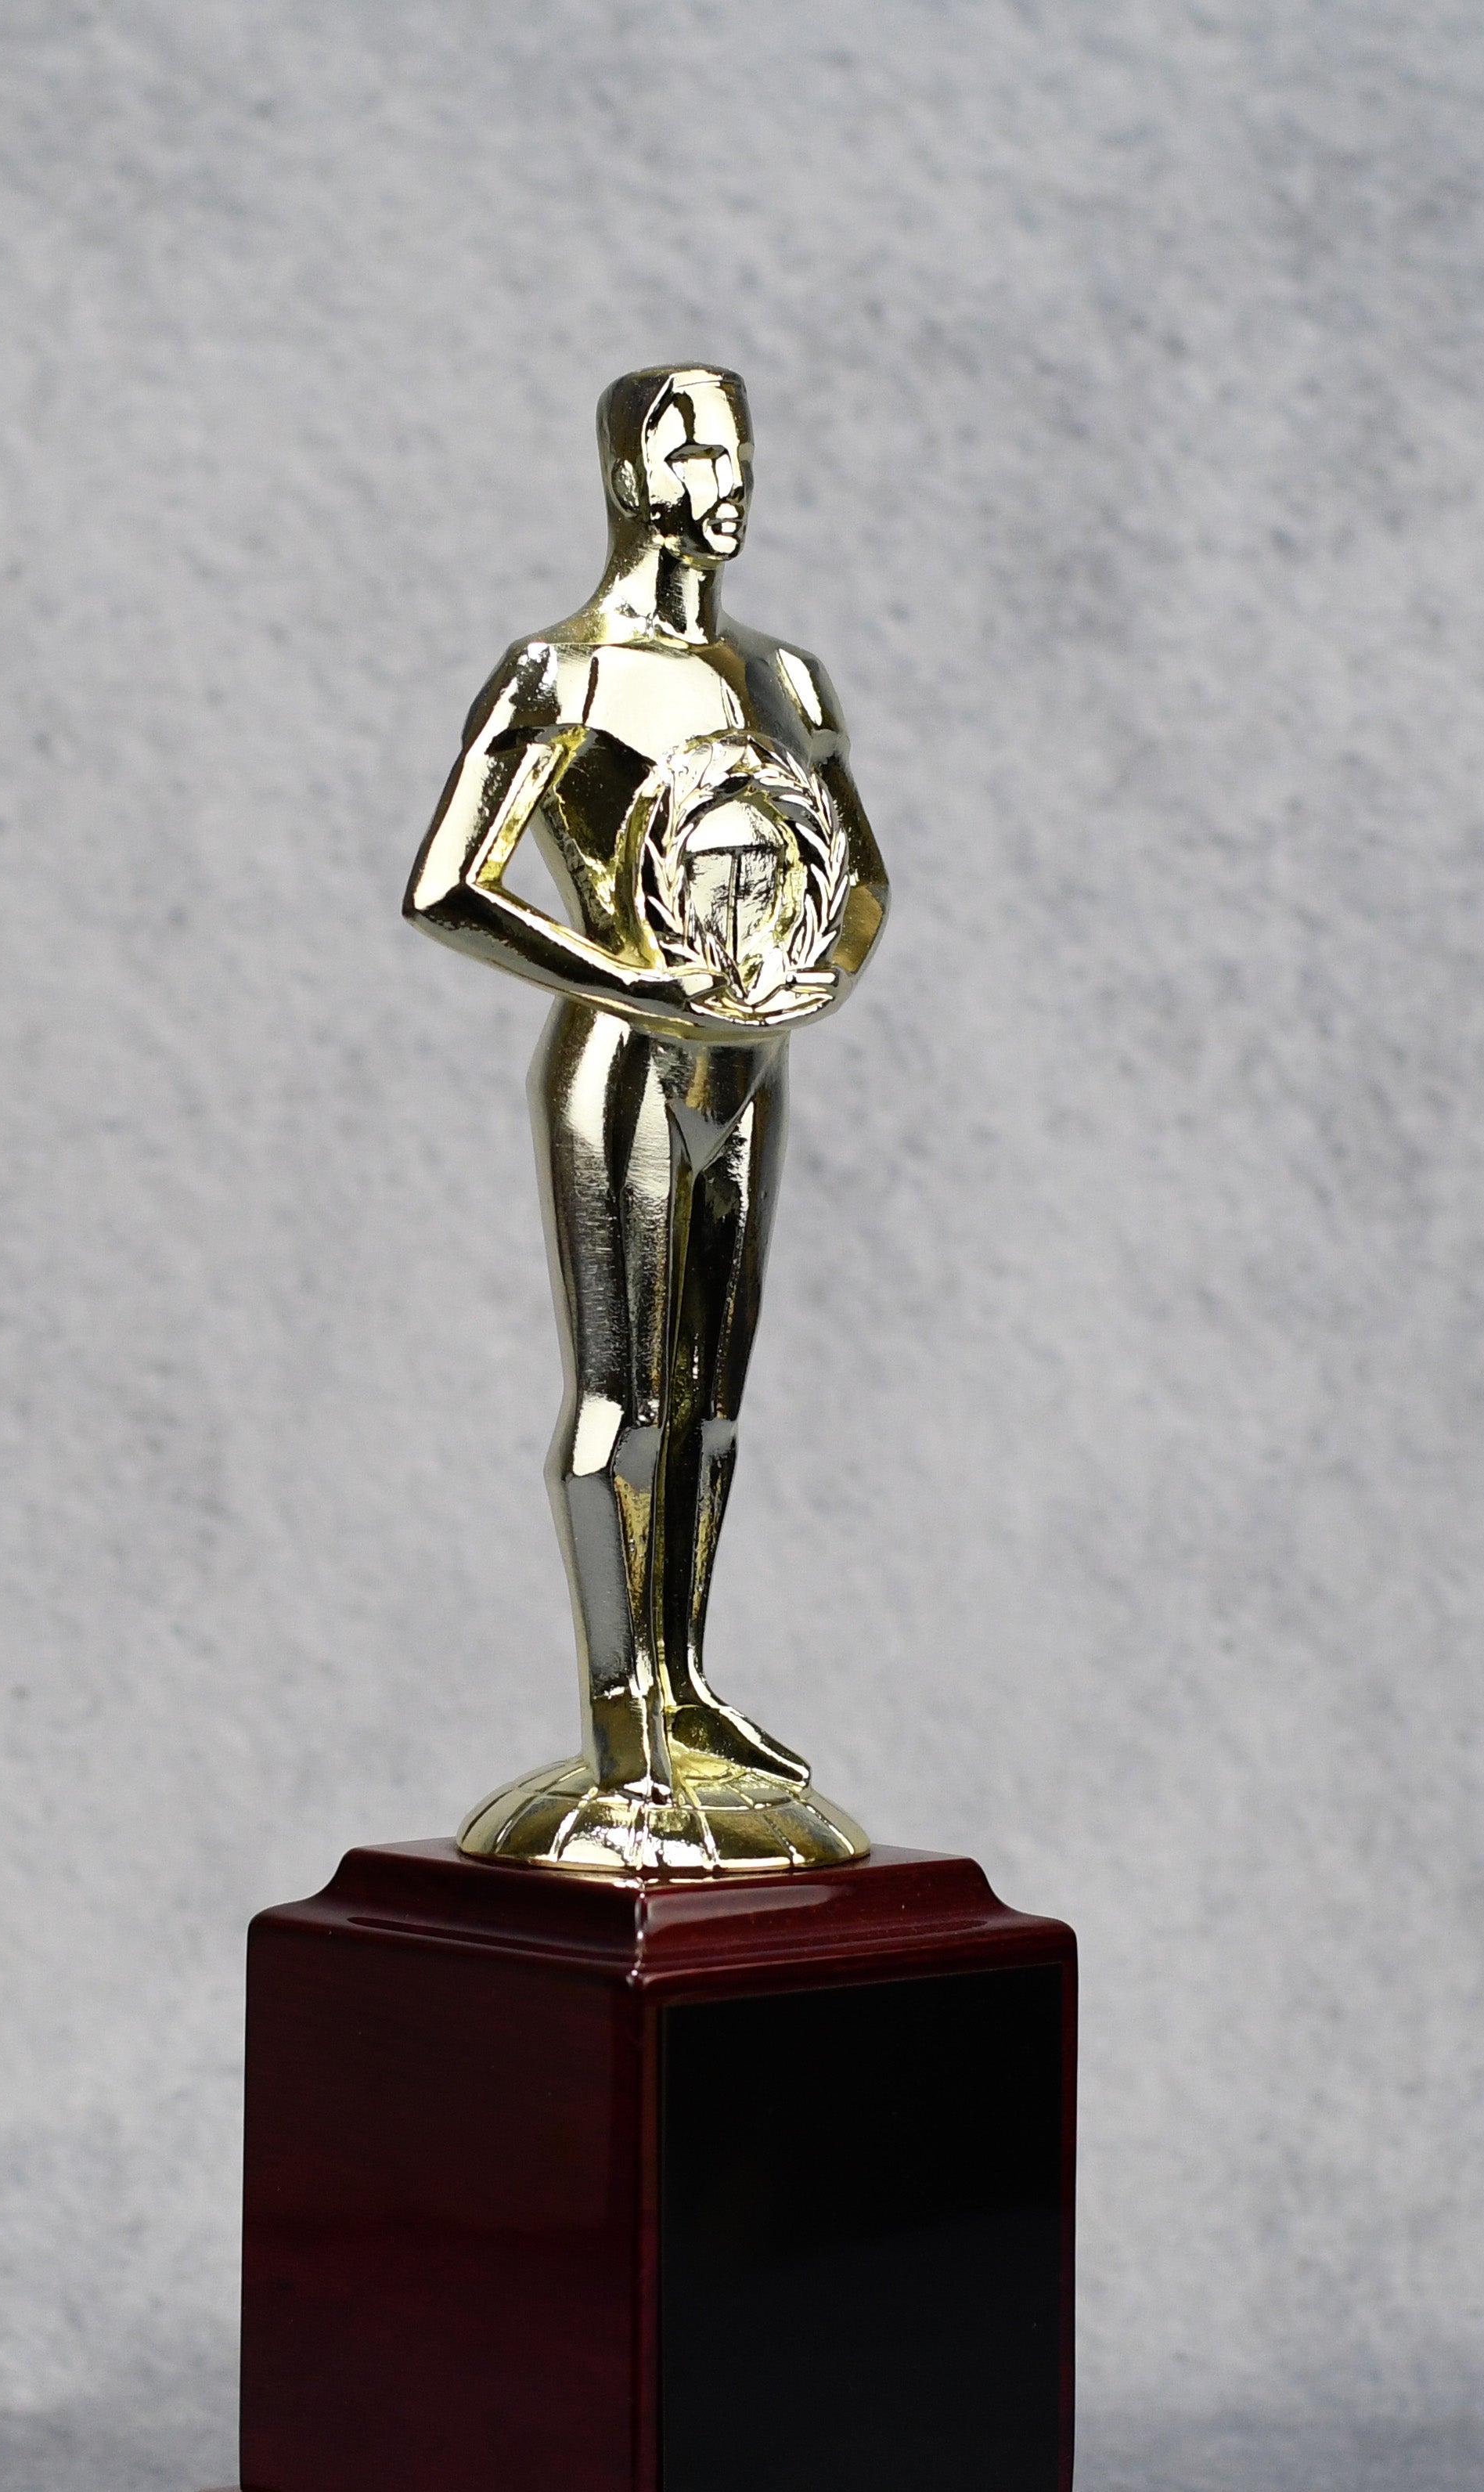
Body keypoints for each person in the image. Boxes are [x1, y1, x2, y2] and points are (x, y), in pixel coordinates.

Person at [404, 364, 890, 1870]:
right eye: (692, 456)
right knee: (623, 1397)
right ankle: (622, 1726)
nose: (724, 483)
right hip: (621, 1061)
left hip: (744, 1063)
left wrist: (793, 982)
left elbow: (860, 880)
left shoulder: (787, 681)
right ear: (630, 475)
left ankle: (685, 1686)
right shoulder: (559, 675)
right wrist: (632, 977)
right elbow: (449, 884)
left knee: (714, 1398)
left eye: (738, 453)